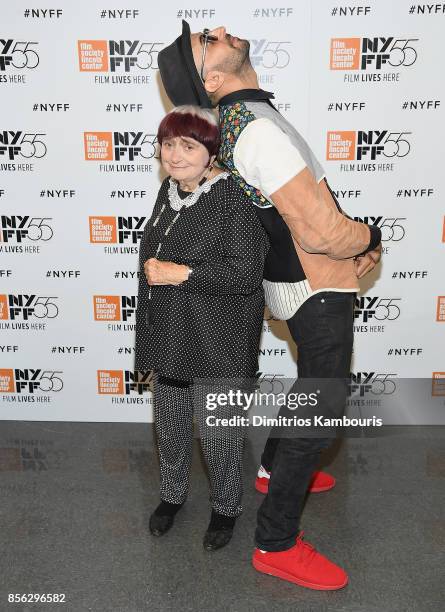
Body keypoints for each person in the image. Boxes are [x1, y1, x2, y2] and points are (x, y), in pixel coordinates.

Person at [157, 21, 382, 589]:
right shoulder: (253, 128)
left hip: (299, 279)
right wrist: (370, 238)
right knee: (320, 413)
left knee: (310, 385)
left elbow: (292, 215)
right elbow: (321, 227)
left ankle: (271, 469)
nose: (223, 30)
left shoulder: (241, 121)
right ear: (209, 75)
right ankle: (276, 542)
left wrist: (343, 245)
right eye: (209, 38)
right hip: (315, 283)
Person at [134, 104, 269, 551]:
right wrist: (147, 344)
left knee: (220, 438)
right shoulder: (170, 192)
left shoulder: (234, 198)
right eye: (168, 144)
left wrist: (184, 273)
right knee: (169, 427)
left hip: (219, 341)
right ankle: (171, 497)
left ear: (210, 151)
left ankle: (226, 510)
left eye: (187, 145)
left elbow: (246, 274)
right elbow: (151, 269)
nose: (174, 155)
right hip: (172, 337)